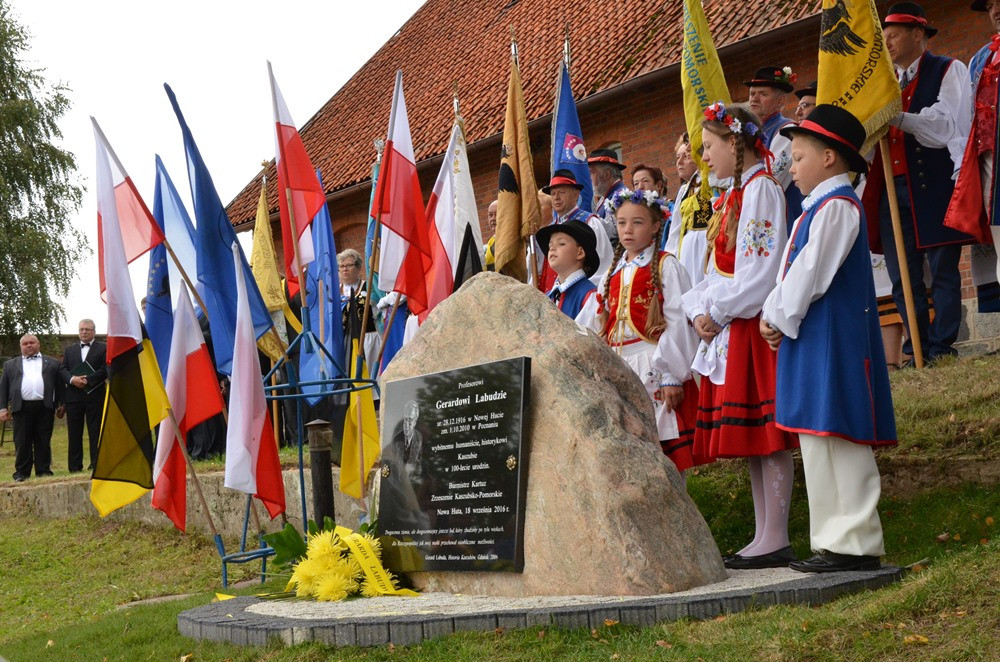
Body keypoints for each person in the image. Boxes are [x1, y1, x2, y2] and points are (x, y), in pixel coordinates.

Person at [762, 105, 897, 572]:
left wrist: (776, 314)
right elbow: (796, 269)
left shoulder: (837, 207)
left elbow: (811, 272)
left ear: (829, 158)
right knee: (818, 437)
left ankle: (857, 542)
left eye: (797, 157)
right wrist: (777, 313)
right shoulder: (816, 209)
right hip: (815, 338)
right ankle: (833, 541)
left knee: (840, 435)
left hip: (835, 342)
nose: (791, 167)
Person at [682, 102, 797, 569]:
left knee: (767, 435)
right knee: (752, 439)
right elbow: (714, 270)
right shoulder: (733, 195)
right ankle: (763, 532)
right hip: (733, 327)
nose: (703, 157)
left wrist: (718, 311)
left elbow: (760, 273)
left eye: (709, 147)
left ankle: (777, 535)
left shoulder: (762, 191)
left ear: (735, 141)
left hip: (750, 325)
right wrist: (697, 310)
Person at [862, 2, 973, 365]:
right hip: (891, 189)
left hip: (934, 184)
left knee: (942, 268)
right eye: (886, 36)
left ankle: (942, 345)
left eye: (894, 34)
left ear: (918, 34)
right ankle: (917, 348)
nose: (889, 41)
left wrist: (894, 115)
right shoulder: (885, 84)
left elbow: (944, 126)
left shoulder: (947, 70)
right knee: (902, 275)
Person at [577, 188, 700, 472]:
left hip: (652, 364)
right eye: (621, 223)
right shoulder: (613, 272)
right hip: (620, 365)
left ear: (656, 226)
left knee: (665, 451)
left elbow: (679, 321)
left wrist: (671, 374)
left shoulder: (666, 266)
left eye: (637, 222)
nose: (627, 229)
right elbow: (592, 319)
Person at [945, 0, 1000, 282]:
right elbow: (965, 121)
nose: (996, 10)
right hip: (991, 168)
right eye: (991, 5)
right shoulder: (980, 59)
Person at [531, 169, 613, 290]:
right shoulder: (550, 230)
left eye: (562, 192)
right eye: (553, 194)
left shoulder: (590, 222)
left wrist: (586, 294)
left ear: (576, 194)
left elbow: (604, 267)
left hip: (581, 297)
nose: (556, 197)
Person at [744, 65, 805, 224]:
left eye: (763, 94)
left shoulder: (787, 130)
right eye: (752, 94)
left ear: (781, 101)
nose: (754, 99)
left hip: (781, 222)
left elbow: (771, 182)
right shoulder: (751, 131)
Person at [0, 334, 64, 481]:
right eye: (25, 343)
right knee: (22, 441)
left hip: (45, 406)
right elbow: (3, 388)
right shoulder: (10, 365)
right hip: (21, 407)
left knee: (43, 440)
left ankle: (43, 471)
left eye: (32, 342)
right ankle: (22, 473)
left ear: (38, 344)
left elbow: (59, 386)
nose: (29, 345)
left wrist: (62, 405)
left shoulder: (53, 363)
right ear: (21, 346)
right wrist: (2, 408)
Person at [59, 319, 107, 472]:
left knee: (95, 431)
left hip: (95, 395)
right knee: (74, 432)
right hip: (73, 397)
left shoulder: (103, 348)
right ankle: (74, 466)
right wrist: (73, 379)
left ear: (94, 331)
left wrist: (88, 380)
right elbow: (63, 369)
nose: (84, 332)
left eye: (87, 329)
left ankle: (96, 463)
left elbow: (105, 368)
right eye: (81, 329)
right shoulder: (69, 350)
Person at [665, 132, 713, 285]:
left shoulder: (715, 179)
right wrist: (670, 257)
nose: (680, 162)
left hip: (708, 246)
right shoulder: (686, 189)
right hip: (687, 250)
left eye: (687, 155)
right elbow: (676, 228)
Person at [535, 219, 599, 319]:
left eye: (561, 244)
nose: (552, 248)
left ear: (580, 253)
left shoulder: (589, 296)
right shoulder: (547, 298)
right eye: (550, 245)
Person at [338, 248, 380, 373]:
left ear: (358, 267)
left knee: (371, 374)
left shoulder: (369, 287)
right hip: (345, 342)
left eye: (349, 265)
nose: (345, 269)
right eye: (341, 266)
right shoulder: (333, 292)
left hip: (369, 339)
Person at [587, 148, 628, 243]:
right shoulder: (605, 197)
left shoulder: (622, 196)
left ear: (607, 174)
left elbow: (612, 231)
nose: (589, 179)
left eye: (591, 173)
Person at [631, 164, 671, 246]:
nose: (640, 187)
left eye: (645, 181)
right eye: (636, 183)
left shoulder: (670, 210)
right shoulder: (632, 213)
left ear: (658, 185)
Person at [484, 199, 498, 271]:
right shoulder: (490, 243)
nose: (493, 218)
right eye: (490, 215)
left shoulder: (512, 240)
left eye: (497, 214)